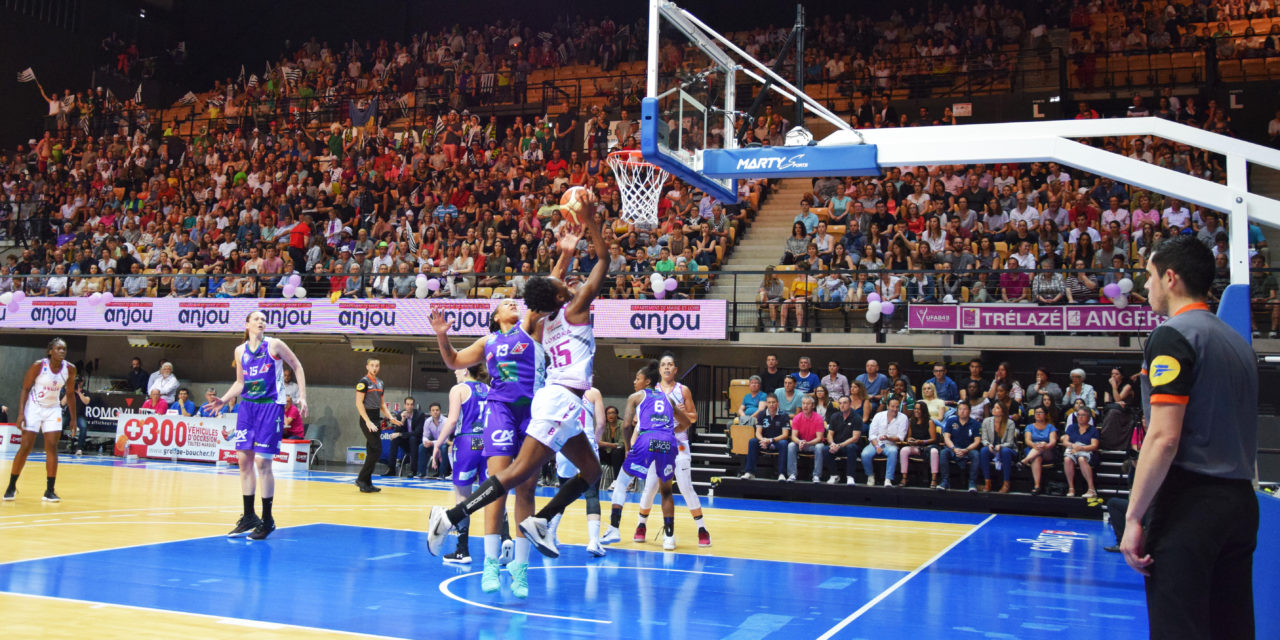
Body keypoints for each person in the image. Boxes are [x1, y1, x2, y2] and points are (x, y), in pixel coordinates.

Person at [427, 194, 610, 601]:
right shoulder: (504, 334)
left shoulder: (537, 324)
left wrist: (564, 255)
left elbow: (546, 290)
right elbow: (580, 276)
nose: (511, 303)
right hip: (524, 406)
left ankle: (531, 542)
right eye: (504, 303)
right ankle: (470, 536)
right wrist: (592, 224)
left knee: (558, 479)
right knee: (507, 481)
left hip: (546, 405)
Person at [1121, 236, 1259, 640]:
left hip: (1190, 504)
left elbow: (1163, 438)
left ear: (1170, 278)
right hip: (1240, 504)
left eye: (1148, 277)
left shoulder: (1173, 336)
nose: (1145, 287)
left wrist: (1133, 516)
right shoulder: (1238, 344)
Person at [428, 295, 547, 592]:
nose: (512, 303)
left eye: (514, 301)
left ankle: (520, 569)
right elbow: (453, 360)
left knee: (527, 489)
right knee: (497, 487)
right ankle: (490, 565)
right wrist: (442, 335)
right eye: (505, 303)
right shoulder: (487, 341)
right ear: (494, 316)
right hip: (501, 411)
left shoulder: (530, 329)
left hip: (533, 411)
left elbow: (543, 298)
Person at [202, 311, 308, 541]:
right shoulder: (239, 351)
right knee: (243, 459)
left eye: (263, 320)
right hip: (247, 407)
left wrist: (302, 397)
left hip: (271, 406)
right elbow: (241, 382)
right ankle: (249, 515)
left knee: (262, 461)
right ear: (247, 324)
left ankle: (268, 520)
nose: (261, 322)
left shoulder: (275, 345)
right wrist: (224, 399)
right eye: (256, 319)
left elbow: (297, 366)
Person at [601, 361, 693, 551]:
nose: (635, 382)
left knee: (621, 484)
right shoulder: (669, 399)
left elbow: (626, 425)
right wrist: (670, 432)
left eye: (638, 378)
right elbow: (686, 422)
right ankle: (669, 538)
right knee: (666, 491)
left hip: (646, 439)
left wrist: (628, 448)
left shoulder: (635, 396)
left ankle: (613, 528)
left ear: (647, 381)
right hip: (668, 442)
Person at [636, 353, 711, 547]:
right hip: (658, 444)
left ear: (675, 369)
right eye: (664, 365)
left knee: (686, 487)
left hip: (679, 442)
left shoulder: (683, 390)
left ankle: (702, 530)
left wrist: (682, 412)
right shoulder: (651, 391)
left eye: (670, 364)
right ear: (659, 370)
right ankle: (641, 525)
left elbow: (693, 417)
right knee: (651, 487)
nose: (667, 367)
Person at [430, 366, 490, 564]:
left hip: (466, 442)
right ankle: (502, 544)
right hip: (486, 441)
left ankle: (462, 550)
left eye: (457, 369)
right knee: (492, 493)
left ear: (465, 370)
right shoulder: (488, 388)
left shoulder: (459, 389)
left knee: (462, 496)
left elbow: (453, 420)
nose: (454, 372)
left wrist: (437, 444)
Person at [5, 338, 76, 502]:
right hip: (34, 408)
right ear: (50, 351)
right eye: (58, 349)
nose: (61, 351)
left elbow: (70, 394)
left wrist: (73, 418)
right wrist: (21, 413)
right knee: (25, 446)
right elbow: (25, 388)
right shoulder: (39, 365)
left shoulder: (70, 369)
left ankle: (49, 490)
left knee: (51, 447)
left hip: (53, 409)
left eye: (64, 349)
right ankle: (11, 486)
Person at [548, 384, 607, 557]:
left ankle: (551, 534)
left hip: (564, 442)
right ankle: (594, 541)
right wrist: (594, 441)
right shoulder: (594, 392)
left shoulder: (559, 391)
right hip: (585, 441)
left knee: (564, 492)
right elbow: (601, 423)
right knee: (592, 494)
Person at [354, 358, 402, 492]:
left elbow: (382, 405)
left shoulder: (380, 383)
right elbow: (359, 404)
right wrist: (367, 421)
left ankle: (367, 483)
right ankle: (361, 478)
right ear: (367, 367)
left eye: (377, 366)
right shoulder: (363, 382)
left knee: (372, 450)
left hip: (376, 418)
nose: (375, 368)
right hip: (366, 419)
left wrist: (391, 417)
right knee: (376, 449)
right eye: (372, 365)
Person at [740, 395, 791, 480]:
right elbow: (758, 433)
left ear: (777, 403)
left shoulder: (784, 415)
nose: (771, 404)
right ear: (766, 403)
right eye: (769, 402)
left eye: (773, 402)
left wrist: (770, 440)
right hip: (764, 441)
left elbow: (785, 435)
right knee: (752, 441)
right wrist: (762, 440)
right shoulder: (761, 414)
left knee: (784, 443)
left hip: (777, 441)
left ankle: (781, 474)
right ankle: (749, 472)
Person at [861, 396, 907, 486]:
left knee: (893, 451)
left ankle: (888, 479)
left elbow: (901, 437)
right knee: (865, 454)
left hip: (890, 444)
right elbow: (872, 435)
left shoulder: (903, 418)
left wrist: (888, 438)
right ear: (888, 406)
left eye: (897, 407)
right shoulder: (878, 415)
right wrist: (877, 446)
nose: (895, 409)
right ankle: (870, 476)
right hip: (875, 443)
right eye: (892, 406)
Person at [938, 401, 982, 492]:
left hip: (968, 449)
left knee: (976, 454)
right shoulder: (951, 421)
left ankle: (972, 482)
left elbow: (977, 441)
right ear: (957, 411)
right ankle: (945, 481)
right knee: (943, 453)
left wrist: (966, 449)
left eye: (965, 409)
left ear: (969, 411)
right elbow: (946, 437)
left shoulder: (975, 424)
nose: (962, 411)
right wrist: (954, 448)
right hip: (953, 448)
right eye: (960, 409)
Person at [978, 402, 1018, 493]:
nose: (993, 409)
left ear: (1003, 412)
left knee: (1005, 451)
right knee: (983, 450)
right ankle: (987, 482)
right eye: (994, 407)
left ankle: (1006, 483)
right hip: (993, 449)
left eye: (997, 408)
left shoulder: (1010, 423)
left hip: (1008, 450)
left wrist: (1001, 446)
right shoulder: (986, 421)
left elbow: (1010, 443)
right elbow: (984, 439)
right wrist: (988, 445)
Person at [1062, 407, 1100, 498]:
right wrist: (1073, 446)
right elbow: (1065, 441)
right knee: (1067, 459)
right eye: (1078, 415)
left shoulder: (1093, 430)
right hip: (1073, 448)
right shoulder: (1072, 427)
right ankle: (1071, 488)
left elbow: (1094, 445)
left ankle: (1091, 489)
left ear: (1089, 417)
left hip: (1087, 451)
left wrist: (1081, 448)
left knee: (1081, 459)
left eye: (1083, 415)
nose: (1080, 417)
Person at [899, 401, 940, 488]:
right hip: (916, 446)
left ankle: (934, 479)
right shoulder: (911, 421)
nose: (916, 411)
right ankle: (904, 478)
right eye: (915, 409)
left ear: (923, 411)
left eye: (919, 409)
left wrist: (922, 442)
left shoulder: (930, 422)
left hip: (927, 446)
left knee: (934, 451)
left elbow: (934, 439)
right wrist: (910, 440)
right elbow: (908, 437)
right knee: (904, 450)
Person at [786, 395, 826, 483]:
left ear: (813, 406)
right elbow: (793, 436)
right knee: (791, 445)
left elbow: (819, 438)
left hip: (813, 444)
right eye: (803, 403)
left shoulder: (818, 418)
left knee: (820, 447)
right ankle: (792, 474)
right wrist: (800, 442)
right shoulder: (797, 418)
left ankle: (816, 475)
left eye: (808, 404)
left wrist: (807, 443)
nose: (805, 406)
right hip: (801, 444)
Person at [1020, 406, 1059, 495]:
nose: (1037, 414)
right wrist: (1034, 445)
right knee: (1037, 457)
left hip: (1048, 451)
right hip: (1032, 450)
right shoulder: (1029, 427)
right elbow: (1027, 440)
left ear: (1045, 415)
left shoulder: (1050, 427)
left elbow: (1053, 441)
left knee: (1042, 444)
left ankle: (1024, 461)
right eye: (1036, 412)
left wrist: (1045, 446)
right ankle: (1037, 486)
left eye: (1040, 412)